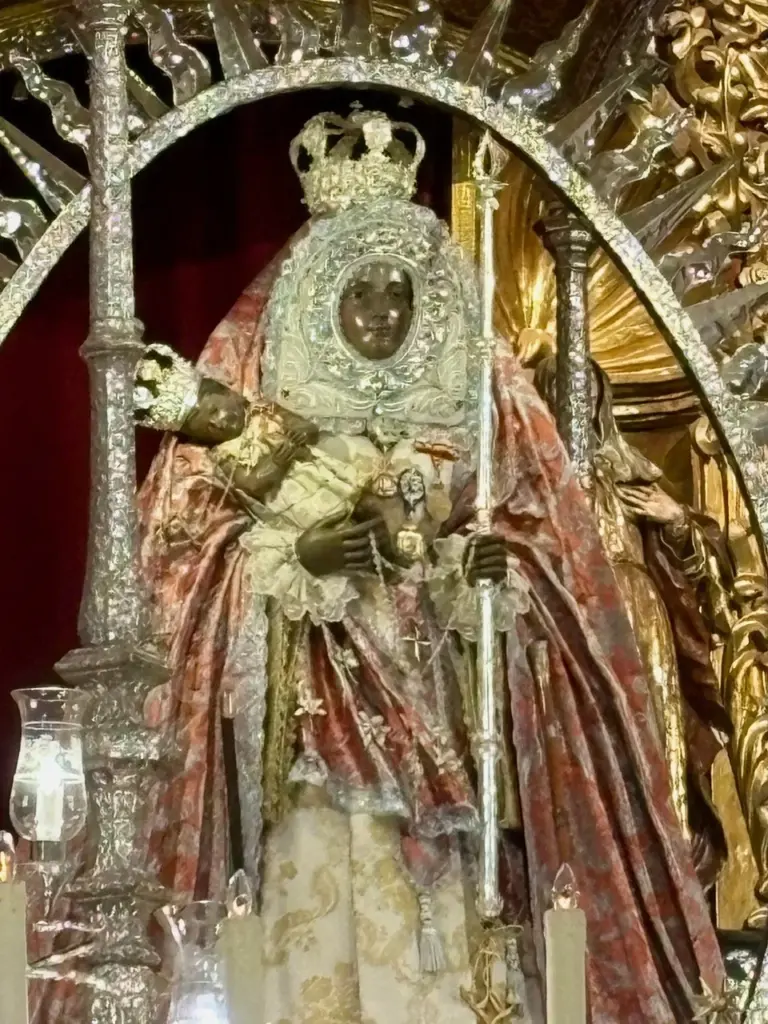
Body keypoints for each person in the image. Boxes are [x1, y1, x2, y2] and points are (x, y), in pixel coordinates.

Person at [137, 108, 725, 1023]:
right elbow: (190, 565)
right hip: (316, 737)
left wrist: (496, 578)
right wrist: (299, 562)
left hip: (443, 733)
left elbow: (544, 554)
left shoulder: (479, 400)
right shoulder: (263, 387)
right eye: (360, 289)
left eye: (401, 291)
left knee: (447, 921)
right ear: (321, 296)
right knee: (320, 892)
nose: (381, 310)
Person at [534, 356, 733, 890]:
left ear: (603, 399)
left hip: (638, 615)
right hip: (569, 615)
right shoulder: (532, 476)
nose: (576, 402)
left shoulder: (634, 471)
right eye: (562, 389)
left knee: (650, 733)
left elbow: (698, 567)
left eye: (586, 389)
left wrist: (674, 523)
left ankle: (660, 860)